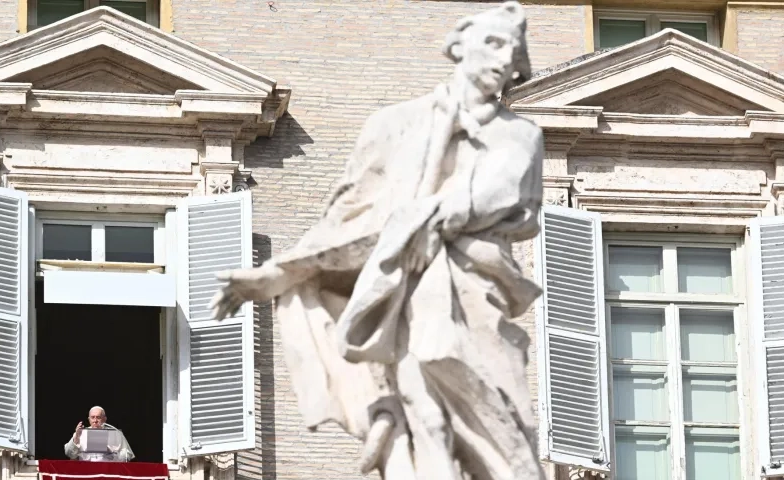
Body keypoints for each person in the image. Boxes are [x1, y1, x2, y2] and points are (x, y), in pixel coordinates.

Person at [211, 2, 544, 479]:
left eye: (514, 51)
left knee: (508, 427)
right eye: (493, 42)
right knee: (421, 410)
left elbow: (492, 197)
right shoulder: (393, 125)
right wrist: (285, 271)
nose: (504, 57)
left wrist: (415, 218)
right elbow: (348, 215)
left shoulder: (519, 137)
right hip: (399, 291)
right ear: (459, 46)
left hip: (475, 293)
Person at [64, 406, 135, 462]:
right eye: (92, 417)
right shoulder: (80, 433)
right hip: (86, 470)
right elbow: (69, 454)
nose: (95, 421)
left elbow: (127, 457)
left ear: (104, 419)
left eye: (98, 417)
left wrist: (111, 453)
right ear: (89, 419)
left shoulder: (116, 433)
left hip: (108, 470)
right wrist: (77, 436)